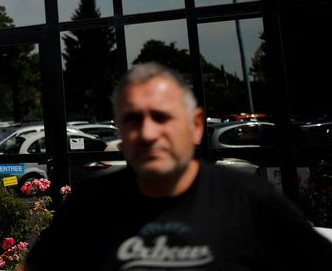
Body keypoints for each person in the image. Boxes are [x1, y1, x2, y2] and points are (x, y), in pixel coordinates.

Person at [21, 62, 332, 270]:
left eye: (162, 117)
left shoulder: (248, 200)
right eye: (132, 119)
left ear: (196, 126)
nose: (147, 133)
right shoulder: (89, 206)